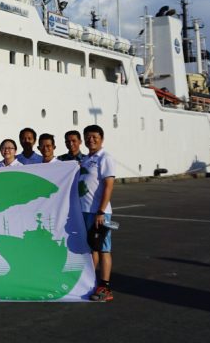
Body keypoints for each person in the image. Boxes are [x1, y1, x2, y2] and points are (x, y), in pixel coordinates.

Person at [80, 124, 116, 302]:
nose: (90, 139)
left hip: (99, 213)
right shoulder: (86, 159)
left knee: (103, 249)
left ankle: (105, 286)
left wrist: (101, 211)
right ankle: (91, 282)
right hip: (85, 211)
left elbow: (109, 185)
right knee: (92, 247)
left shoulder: (105, 158)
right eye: (87, 137)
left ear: (101, 138)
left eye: (94, 136)